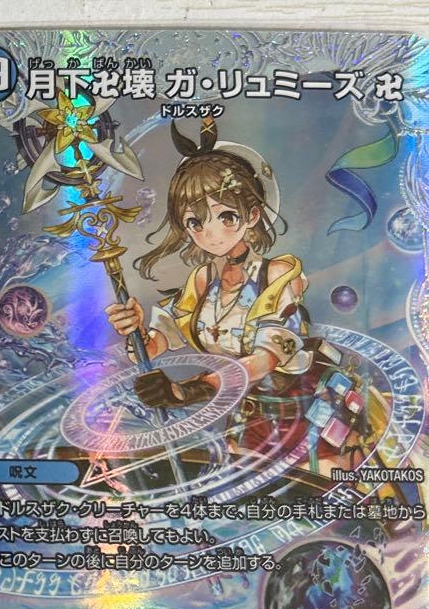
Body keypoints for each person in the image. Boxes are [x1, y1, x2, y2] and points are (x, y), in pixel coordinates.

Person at [104, 118, 380, 473]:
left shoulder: (278, 276)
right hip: (248, 417)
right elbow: (156, 344)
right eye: (195, 222)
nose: (211, 233)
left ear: (252, 215)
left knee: (321, 489)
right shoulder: (202, 281)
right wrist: (136, 332)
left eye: (226, 217)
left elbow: (265, 360)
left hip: (304, 412)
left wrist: (189, 391)